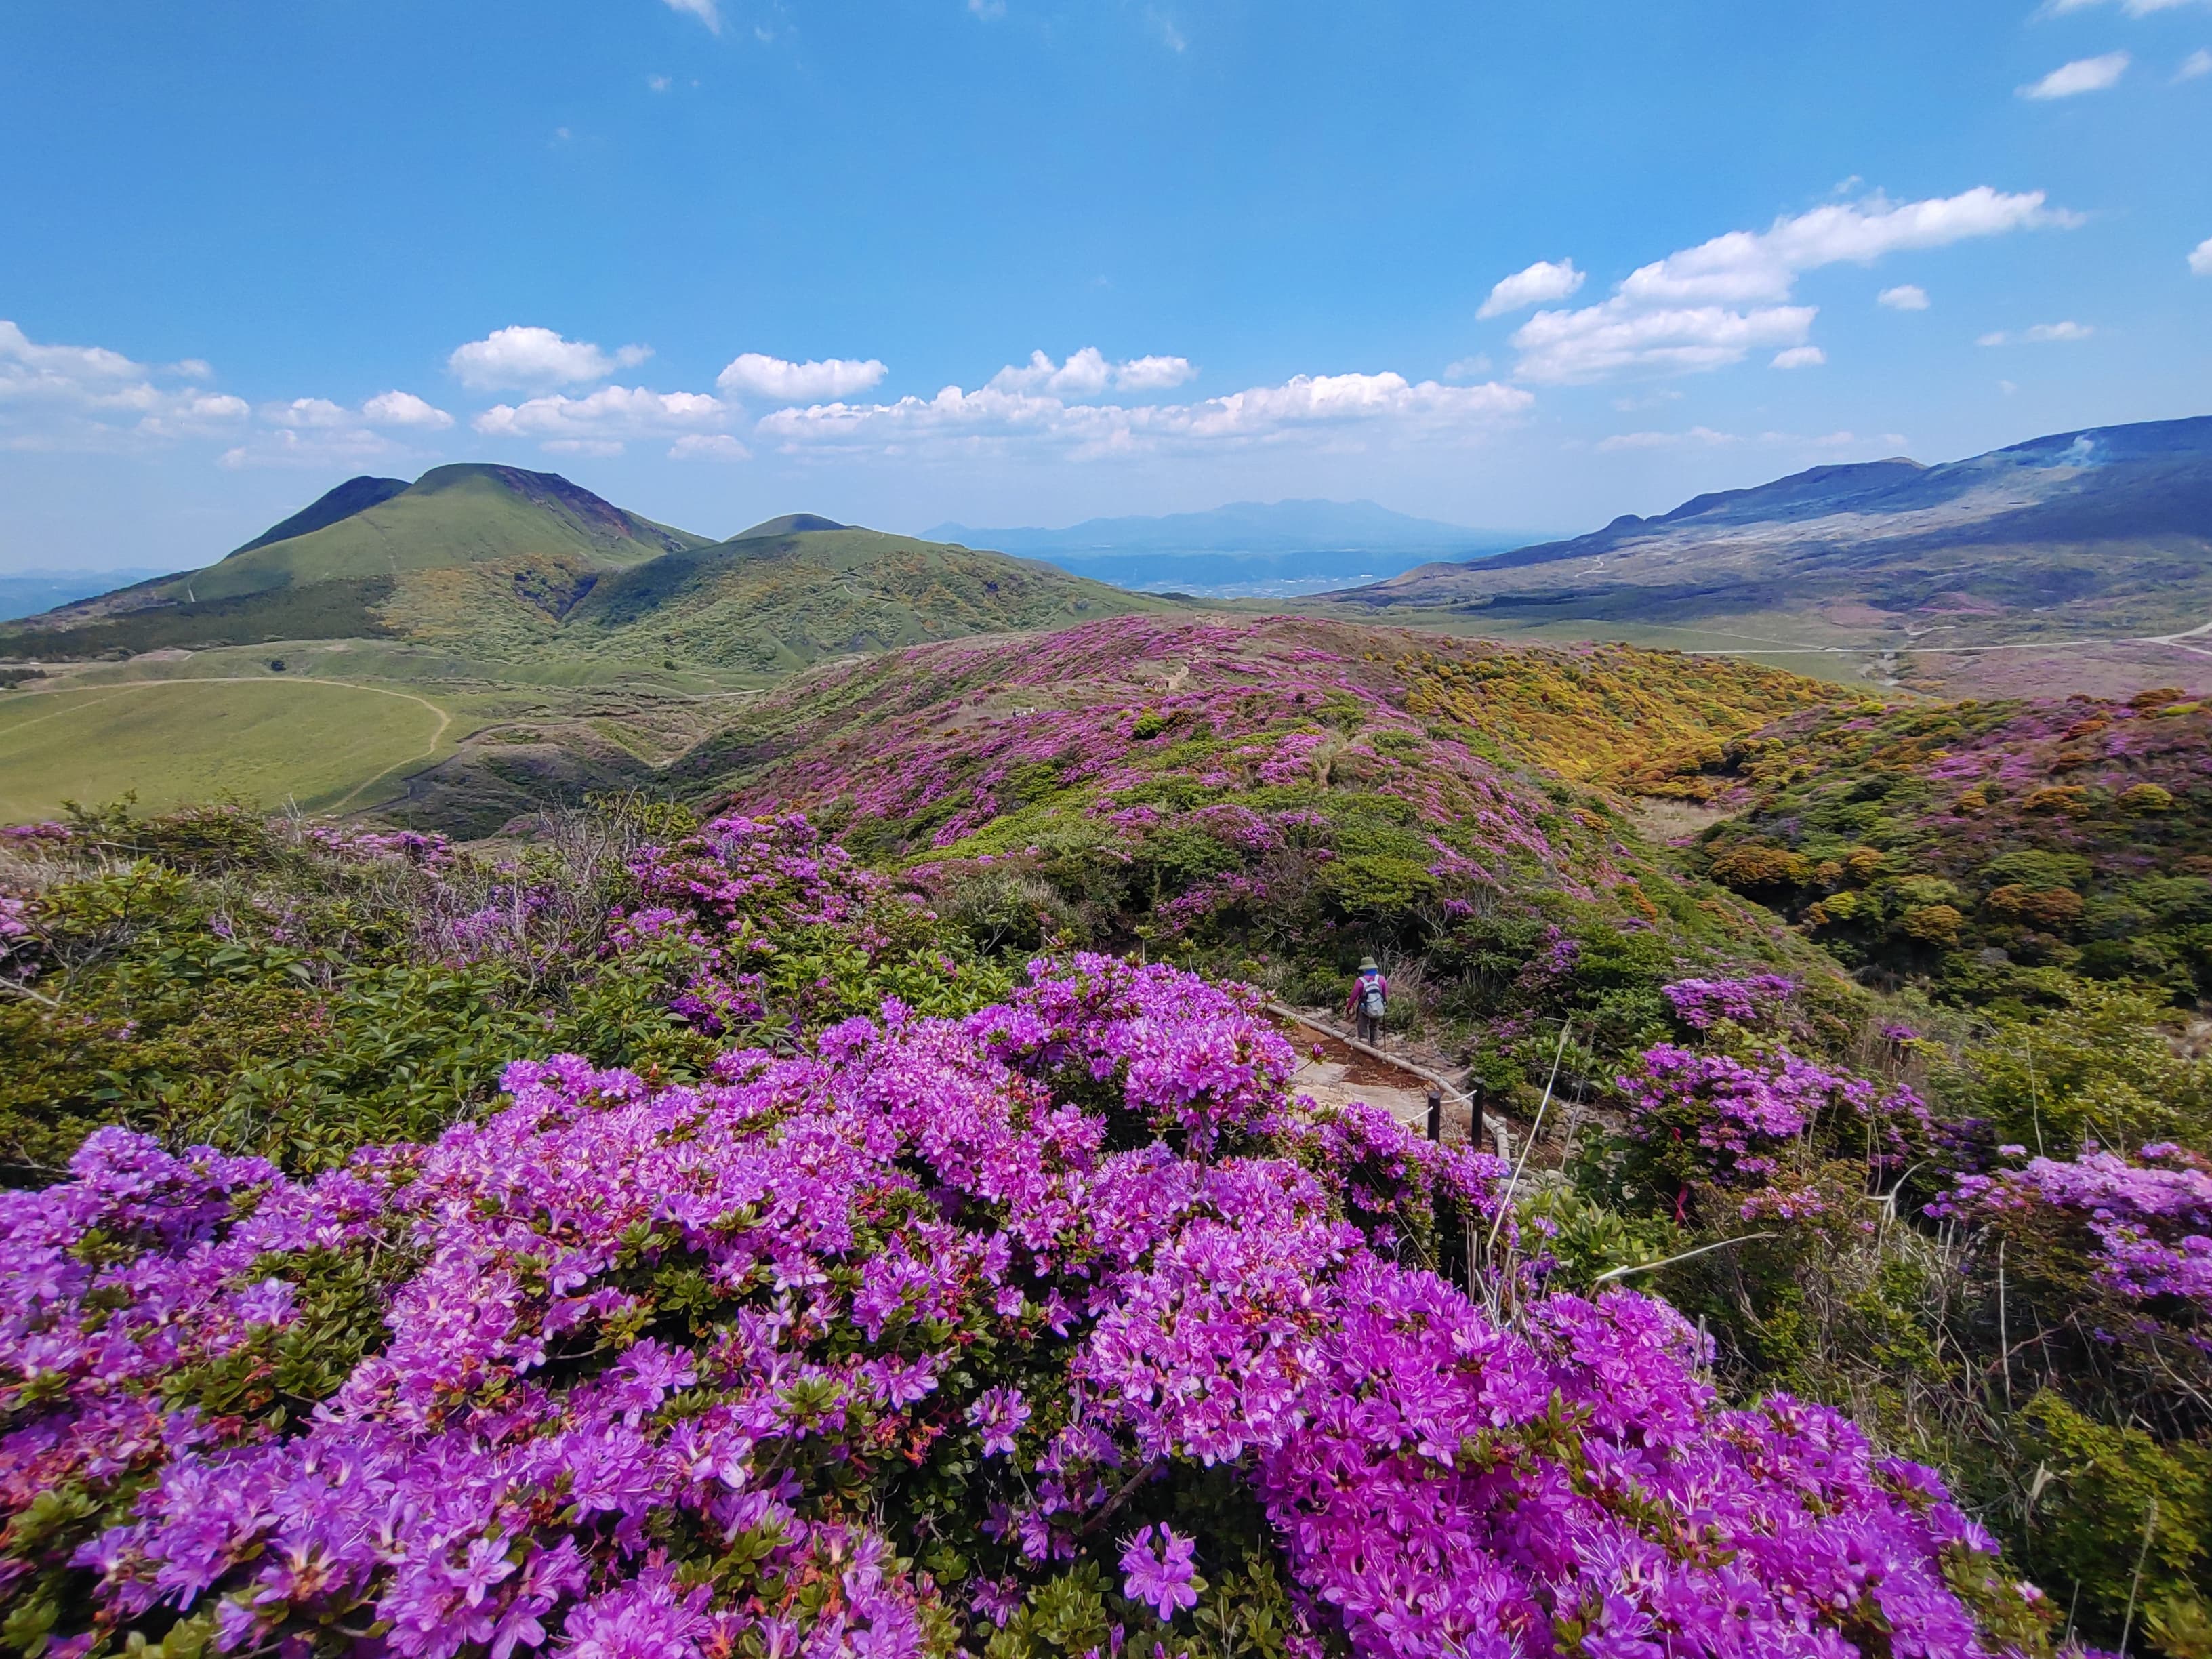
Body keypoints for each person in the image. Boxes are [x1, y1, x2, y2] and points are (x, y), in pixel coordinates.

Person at [1347, 956, 1388, 1044]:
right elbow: (1385, 995)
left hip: (1364, 1008)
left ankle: (1364, 1047)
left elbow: (1354, 996)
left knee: (1363, 1027)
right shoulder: (1381, 979)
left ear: (1364, 969)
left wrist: (1349, 1006)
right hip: (1377, 1007)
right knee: (1374, 1026)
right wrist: (1384, 1005)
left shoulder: (1360, 981)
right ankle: (1375, 1046)